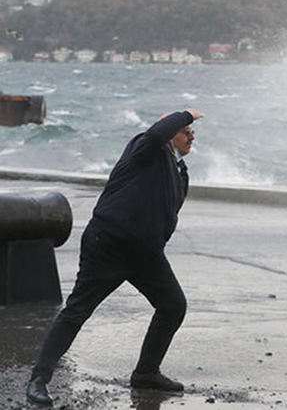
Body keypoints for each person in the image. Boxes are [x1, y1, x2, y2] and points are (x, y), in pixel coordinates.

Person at [26, 109, 204, 405]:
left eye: (191, 132)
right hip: (108, 245)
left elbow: (167, 212)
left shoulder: (179, 170)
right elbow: (156, 132)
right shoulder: (145, 147)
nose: (192, 136)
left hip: (146, 254)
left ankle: (146, 373)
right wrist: (185, 113)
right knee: (77, 312)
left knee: (173, 306)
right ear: (170, 131)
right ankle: (38, 379)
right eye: (186, 131)